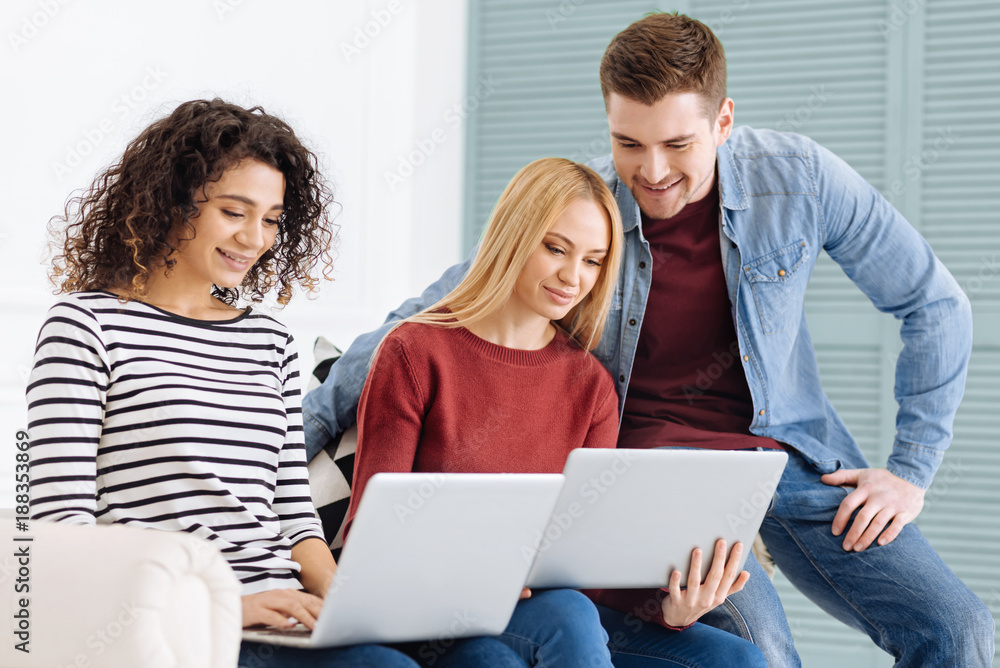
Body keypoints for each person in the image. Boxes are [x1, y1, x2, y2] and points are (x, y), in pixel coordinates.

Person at [301, 13, 996, 668]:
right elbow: (439, 310)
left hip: (786, 458)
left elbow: (934, 303)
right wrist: (283, 442)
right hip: (656, 481)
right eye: (628, 143)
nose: (653, 171)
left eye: (678, 144)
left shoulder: (799, 180)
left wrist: (911, 469)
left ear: (723, 121)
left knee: (958, 626)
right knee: (762, 647)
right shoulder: (588, 209)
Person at [26, 99, 525, 668]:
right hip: (186, 625)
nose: (254, 238)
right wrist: (227, 608)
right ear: (172, 201)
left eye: (270, 219)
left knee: (491, 659)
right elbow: (61, 531)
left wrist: (349, 604)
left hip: (288, 611)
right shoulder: (85, 327)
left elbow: (292, 511)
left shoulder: (269, 340)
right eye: (234, 212)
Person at [347, 156, 766, 668]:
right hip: (439, 614)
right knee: (549, 623)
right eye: (555, 249)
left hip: (555, 612)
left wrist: (670, 609)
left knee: (733, 659)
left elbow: (588, 562)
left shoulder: (589, 385)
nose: (574, 277)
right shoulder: (416, 352)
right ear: (514, 237)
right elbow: (370, 532)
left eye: (594, 259)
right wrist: (473, 577)